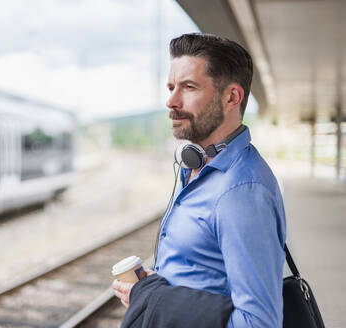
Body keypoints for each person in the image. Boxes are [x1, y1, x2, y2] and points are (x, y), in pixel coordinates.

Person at [112, 33, 286, 327]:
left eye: (188, 87)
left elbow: (258, 323)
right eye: (170, 87)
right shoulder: (198, 167)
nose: (171, 101)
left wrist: (156, 300)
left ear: (232, 97)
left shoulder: (240, 192)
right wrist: (150, 292)